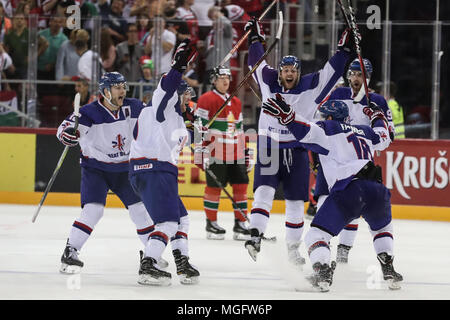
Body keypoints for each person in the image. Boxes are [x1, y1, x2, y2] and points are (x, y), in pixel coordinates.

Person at [242, 18, 356, 266]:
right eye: (285, 70)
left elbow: (332, 71)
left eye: (293, 70)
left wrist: (345, 51)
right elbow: (256, 62)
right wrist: (254, 39)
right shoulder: (269, 80)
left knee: (296, 204)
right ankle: (255, 236)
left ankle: (293, 250)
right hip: (270, 148)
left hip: (297, 150)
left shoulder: (311, 86)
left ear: (298, 72)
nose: (289, 73)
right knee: (263, 193)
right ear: (280, 71)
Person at [259, 96, 403, 292]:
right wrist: (377, 115)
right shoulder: (367, 132)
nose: (320, 118)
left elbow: (305, 130)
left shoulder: (328, 129)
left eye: (323, 116)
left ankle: (323, 272)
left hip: (349, 189)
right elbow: (384, 135)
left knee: (315, 235)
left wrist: (288, 116)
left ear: (329, 118)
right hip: (377, 190)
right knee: (382, 229)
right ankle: (389, 268)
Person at [56, 71, 167, 274]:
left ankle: (151, 255)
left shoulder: (133, 107)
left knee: (140, 211)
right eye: (117, 87)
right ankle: (71, 251)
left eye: (123, 87)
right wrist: (68, 135)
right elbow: (66, 129)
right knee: (93, 210)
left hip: (124, 169)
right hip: (96, 169)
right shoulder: (89, 112)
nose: (122, 91)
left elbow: (153, 120)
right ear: (106, 91)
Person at [128, 38, 200, 286]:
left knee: (182, 218)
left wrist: (192, 123)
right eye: (186, 94)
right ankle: (148, 264)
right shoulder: (161, 104)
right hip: (153, 169)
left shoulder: (177, 117)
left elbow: (189, 141)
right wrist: (179, 65)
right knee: (168, 222)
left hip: (157, 171)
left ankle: (182, 262)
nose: (189, 99)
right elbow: (167, 86)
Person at [313, 58, 395, 264]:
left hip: (359, 160)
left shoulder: (378, 101)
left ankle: (344, 248)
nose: (356, 78)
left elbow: (388, 136)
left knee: (354, 203)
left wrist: (377, 117)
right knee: (324, 197)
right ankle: (325, 242)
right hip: (333, 155)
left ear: (368, 77)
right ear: (348, 75)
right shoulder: (339, 94)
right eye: (353, 73)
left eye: (361, 74)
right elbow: (320, 118)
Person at [196, 65, 252, 241]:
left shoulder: (235, 101)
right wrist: (201, 153)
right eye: (221, 78)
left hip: (236, 153)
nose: (226, 81)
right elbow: (199, 128)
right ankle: (211, 223)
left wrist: (246, 153)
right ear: (214, 80)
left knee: (241, 186)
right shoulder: (206, 99)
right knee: (213, 188)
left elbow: (240, 129)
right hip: (216, 153)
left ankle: (240, 224)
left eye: (228, 77)